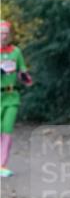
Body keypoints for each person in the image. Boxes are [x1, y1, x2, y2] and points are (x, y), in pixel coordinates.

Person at [0, 19, 33, 178]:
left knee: (7, 129)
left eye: (6, 34)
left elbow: (24, 73)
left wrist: (25, 77)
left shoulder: (15, 52)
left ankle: (2, 164)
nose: (3, 36)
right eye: (0, 33)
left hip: (11, 96)